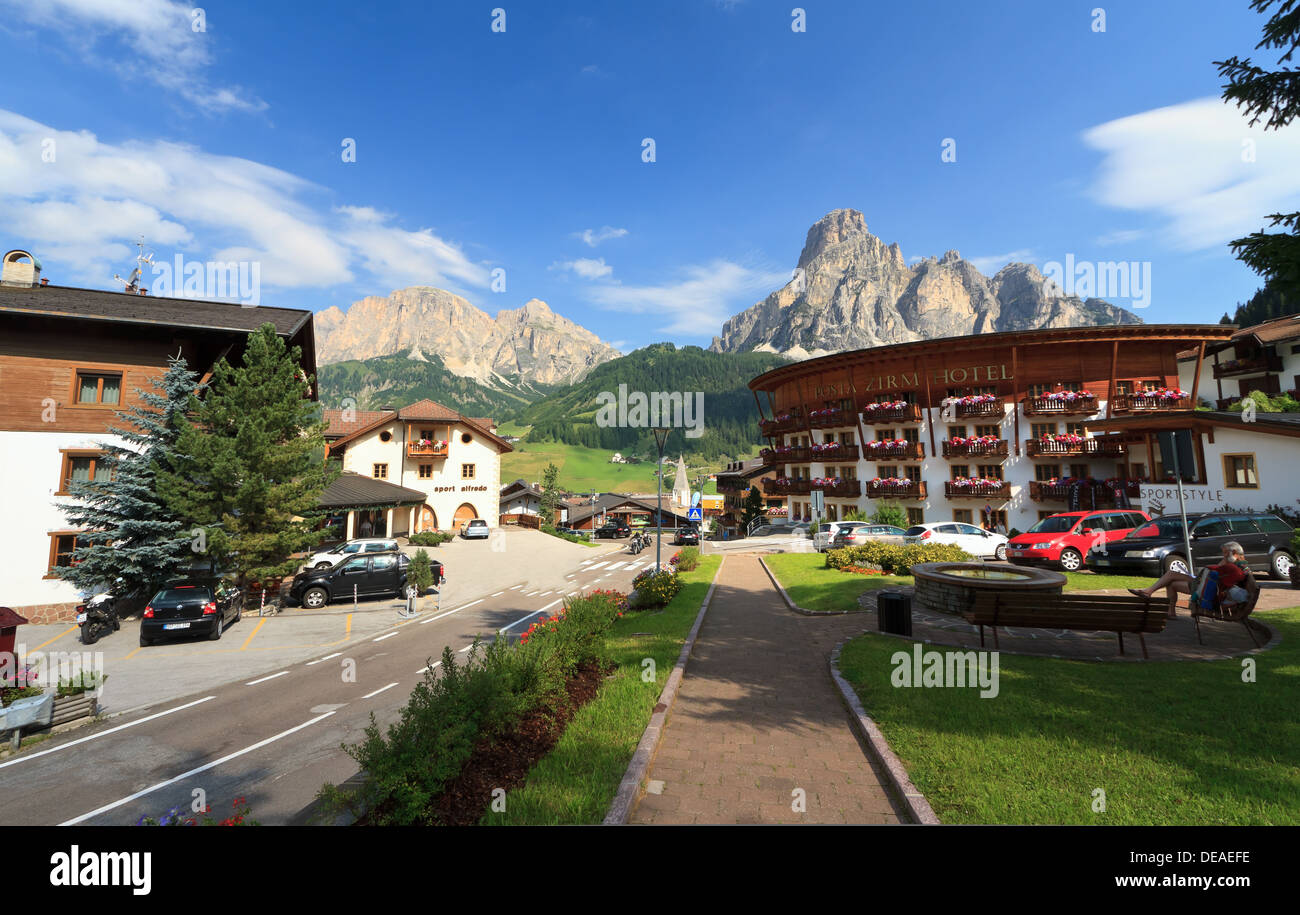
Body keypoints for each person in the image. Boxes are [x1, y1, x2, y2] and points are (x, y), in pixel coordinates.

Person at [1129, 541, 1251, 619]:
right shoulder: (1234, 563)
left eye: (1225, 553)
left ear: (1234, 552)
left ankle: (1150, 593)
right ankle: (1159, 601)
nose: (1223, 555)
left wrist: (1223, 563)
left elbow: (1218, 577)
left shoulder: (1235, 565)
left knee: (1171, 579)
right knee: (1171, 578)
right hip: (1203, 583)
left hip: (1203, 588)